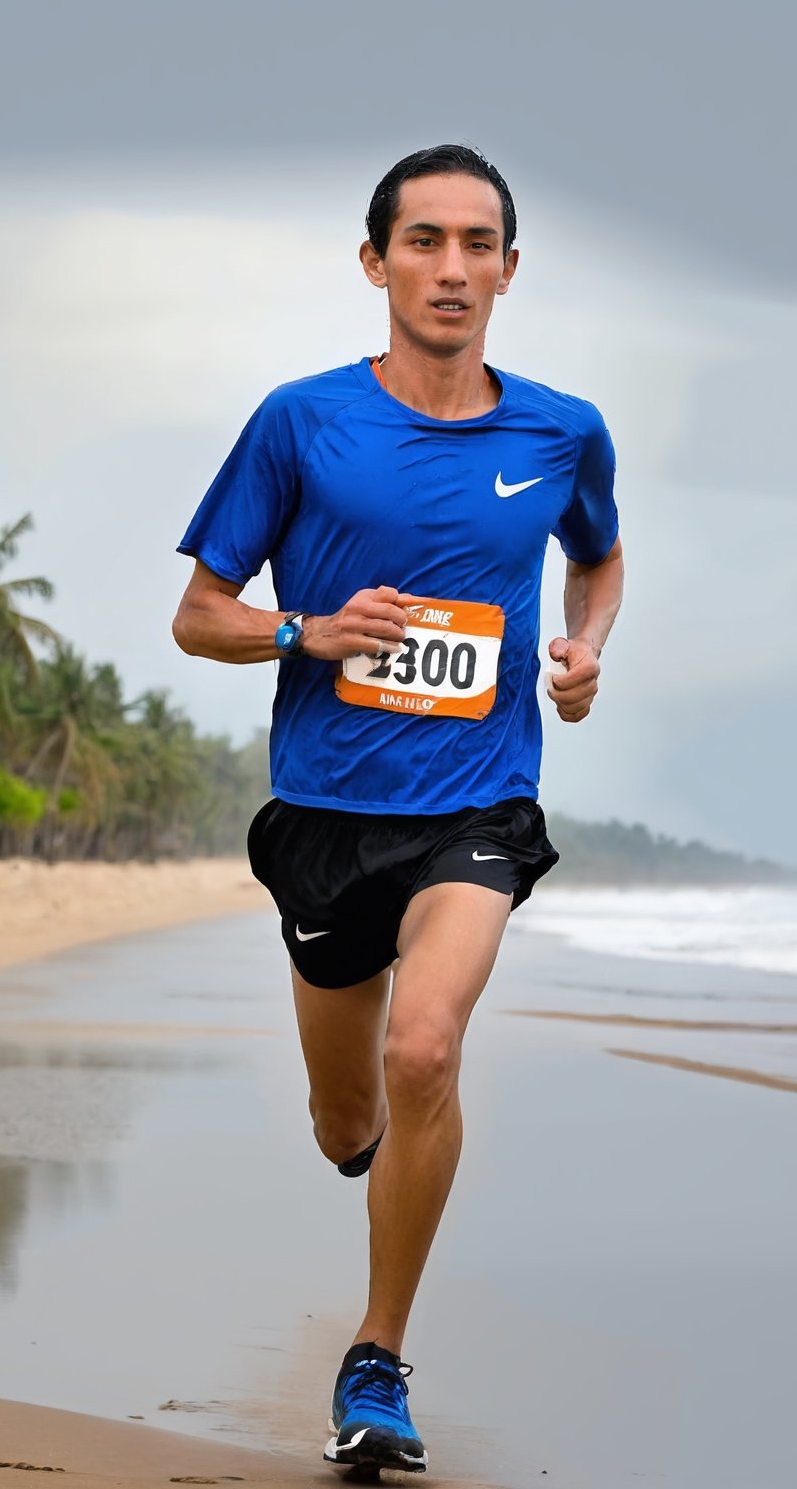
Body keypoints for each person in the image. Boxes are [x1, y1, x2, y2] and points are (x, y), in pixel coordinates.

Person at [172, 143, 624, 1476]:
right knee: (344, 1121)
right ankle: (365, 1142)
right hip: (324, 813)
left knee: (424, 1050)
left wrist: (589, 650)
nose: (452, 267)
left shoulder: (563, 430)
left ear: (509, 270)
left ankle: (378, 1356)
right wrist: (305, 630)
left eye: (477, 244)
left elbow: (597, 558)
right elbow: (199, 617)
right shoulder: (300, 421)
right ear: (376, 262)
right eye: (423, 241)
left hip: (478, 804)